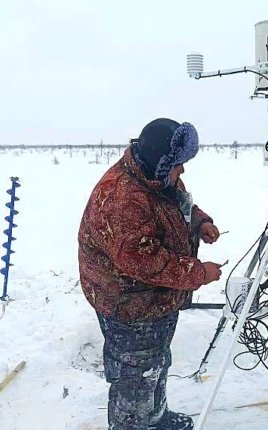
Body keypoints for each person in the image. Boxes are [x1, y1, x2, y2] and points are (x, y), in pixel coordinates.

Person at [78, 118, 223, 430]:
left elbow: (180, 204)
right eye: (178, 164)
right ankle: (133, 424)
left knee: (155, 362)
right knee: (135, 375)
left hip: (156, 298)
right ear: (161, 160)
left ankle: (155, 417)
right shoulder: (122, 197)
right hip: (128, 303)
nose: (182, 171)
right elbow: (145, 261)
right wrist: (199, 273)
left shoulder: (158, 175)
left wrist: (200, 222)